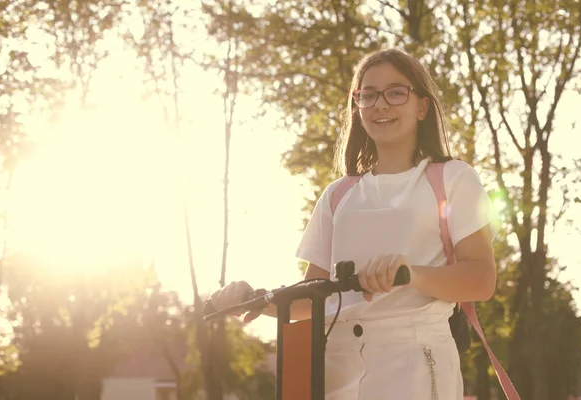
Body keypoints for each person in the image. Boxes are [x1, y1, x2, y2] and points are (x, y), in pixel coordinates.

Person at [209, 48, 498, 399]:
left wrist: (411, 274)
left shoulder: (452, 179)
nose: (380, 105)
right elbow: (312, 301)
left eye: (396, 92)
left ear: (422, 107)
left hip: (416, 365)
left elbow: (481, 279)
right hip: (337, 369)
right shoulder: (338, 195)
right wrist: (253, 299)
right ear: (357, 107)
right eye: (368, 95)